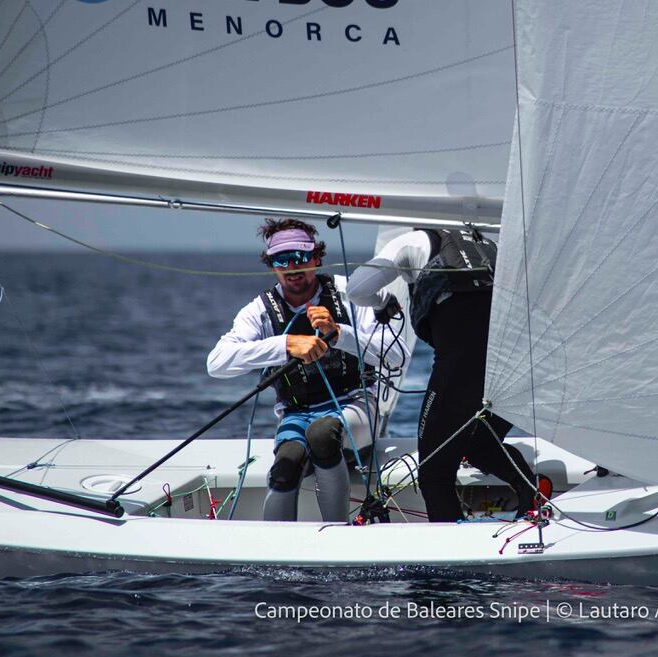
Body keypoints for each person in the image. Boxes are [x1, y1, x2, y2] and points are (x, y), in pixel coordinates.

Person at [207, 218, 407, 522]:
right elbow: (217, 363)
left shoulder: (347, 292)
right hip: (296, 412)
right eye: (281, 260)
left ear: (316, 257)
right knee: (287, 462)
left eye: (300, 257)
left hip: (355, 406)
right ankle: (276, 556)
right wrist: (286, 344)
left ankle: (336, 533)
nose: (292, 268)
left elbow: (397, 356)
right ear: (271, 264)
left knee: (322, 434)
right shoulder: (260, 310)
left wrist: (340, 333)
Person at [347, 227, 537, 522]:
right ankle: (532, 498)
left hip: (464, 365)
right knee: (478, 444)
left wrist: (383, 302)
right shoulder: (490, 246)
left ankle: (452, 557)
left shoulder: (408, 242)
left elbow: (357, 289)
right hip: (521, 365)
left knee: (435, 472)